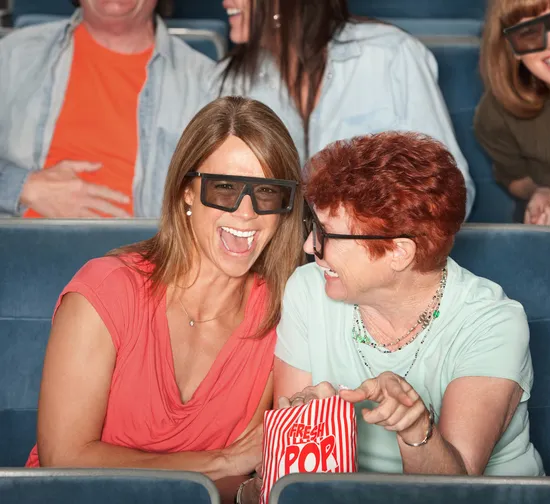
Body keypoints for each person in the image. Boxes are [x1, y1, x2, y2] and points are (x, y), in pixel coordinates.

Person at [25, 97, 305, 503]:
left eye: (267, 192)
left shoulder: (280, 314)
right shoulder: (106, 290)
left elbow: (246, 482)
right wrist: (223, 461)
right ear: (186, 192)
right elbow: (64, 460)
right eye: (224, 188)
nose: (247, 213)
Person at [270, 132, 544, 480]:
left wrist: (416, 427)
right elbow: (292, 476)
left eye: (327, 234)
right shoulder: (308, 290)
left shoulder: (493, 324)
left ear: (399, 252)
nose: (310, 246)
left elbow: (456, 492)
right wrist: (306, 422)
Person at [216, 0, 475, 217]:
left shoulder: (390, 55)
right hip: (273, 264)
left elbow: (449, 192)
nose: (225, 1)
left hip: (378, 262)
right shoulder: (227, 81)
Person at [0, 0, 215, 218]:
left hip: (145, 249)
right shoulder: (12, 55)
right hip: (17, 244)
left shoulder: (207, 85)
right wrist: (24, 186)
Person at [474, 1, 550, 278]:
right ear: (513, 48)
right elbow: (513, 177)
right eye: (529, 33)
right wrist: (537, 192)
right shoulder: (498, 114)